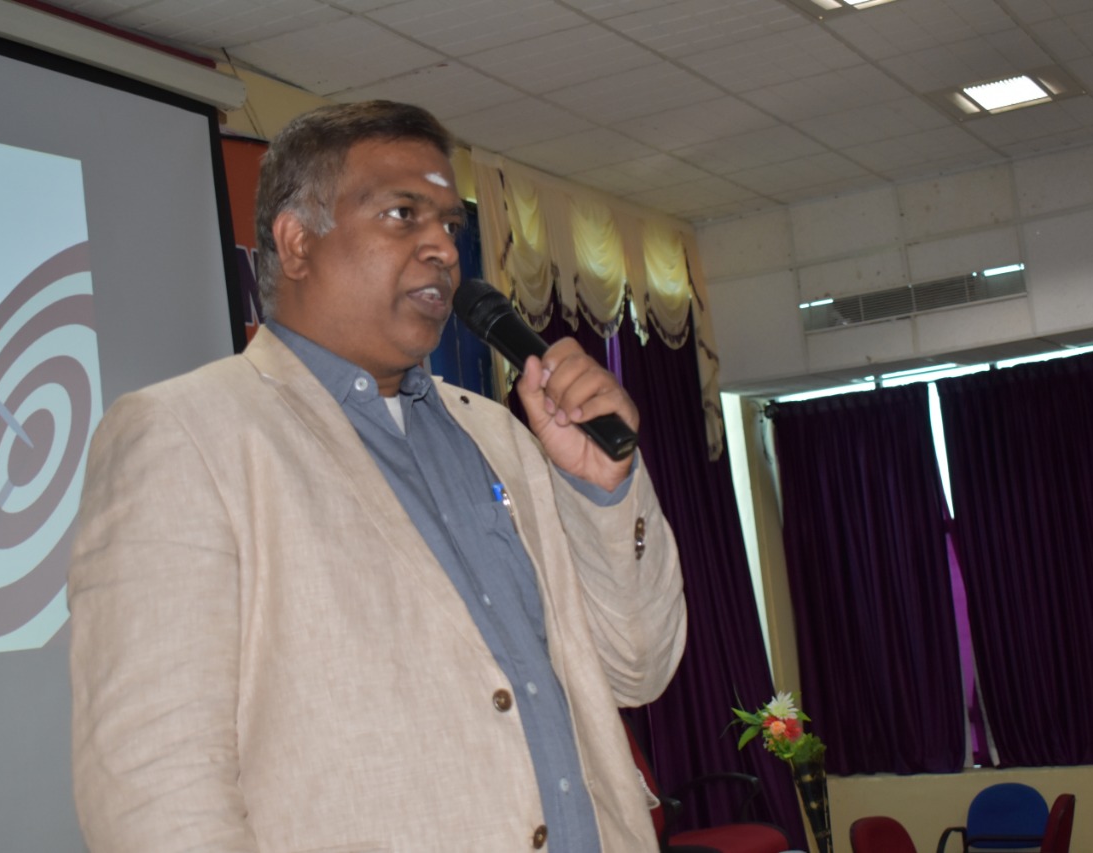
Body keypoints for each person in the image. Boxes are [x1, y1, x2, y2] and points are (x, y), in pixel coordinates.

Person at [67, 100, 686, 852]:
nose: (443, 250)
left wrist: (602, 490)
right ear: (296, 243)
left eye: (450, 225)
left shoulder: (499, 435)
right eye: (403, 214)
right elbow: (152, 787)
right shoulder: (185, 435)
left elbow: (637, 668)